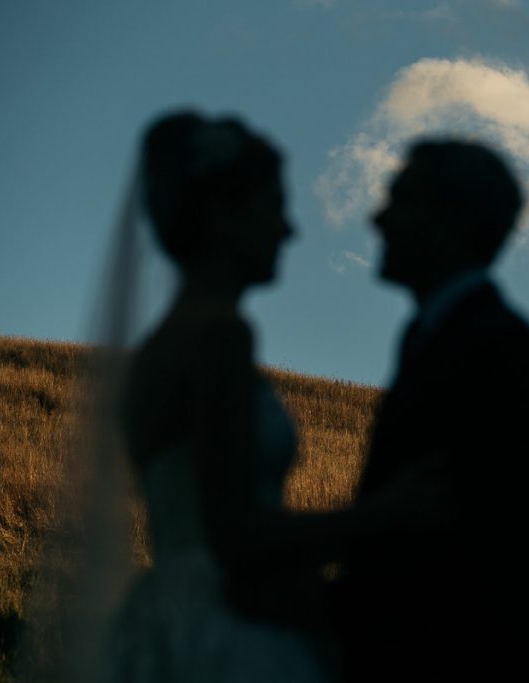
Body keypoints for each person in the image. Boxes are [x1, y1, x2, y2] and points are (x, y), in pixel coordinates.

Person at [109, 110, 332, 682]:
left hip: (165, 615)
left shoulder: (156, 350)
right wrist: (385, 519)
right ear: (224, 215)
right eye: (273, 207)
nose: (288, 230)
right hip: (231, 625)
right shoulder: (221, 336)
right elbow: (237, 531)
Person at [329, 140, 529, 682]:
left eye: (403, 200)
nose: (379, 219)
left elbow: (459, 554)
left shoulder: (498, 348)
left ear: (456, 220)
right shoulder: (441, 336)